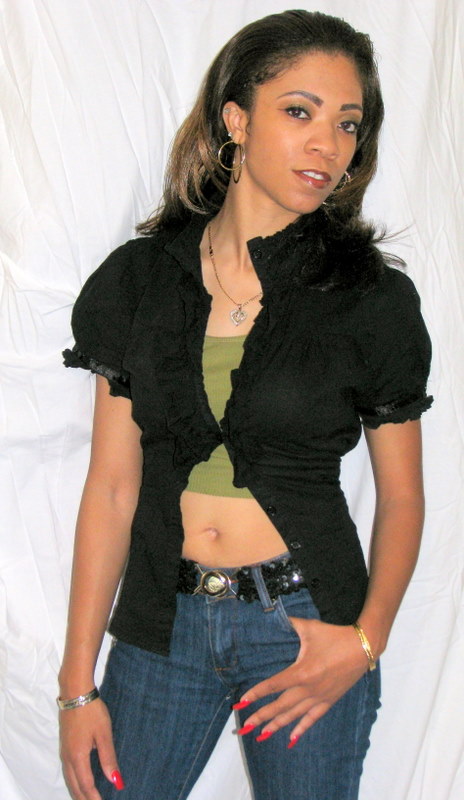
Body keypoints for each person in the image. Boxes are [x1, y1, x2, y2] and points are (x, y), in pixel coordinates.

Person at [58, 9, 433, 800]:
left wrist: (365, 641)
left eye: (347, 123)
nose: (327, 145)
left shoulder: (370, 298)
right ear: (236, 119)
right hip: (162, 623)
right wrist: (76, 686)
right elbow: (113, 488)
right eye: (299, 112)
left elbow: (402, 497)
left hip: (307, 624)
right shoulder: (140, 282)